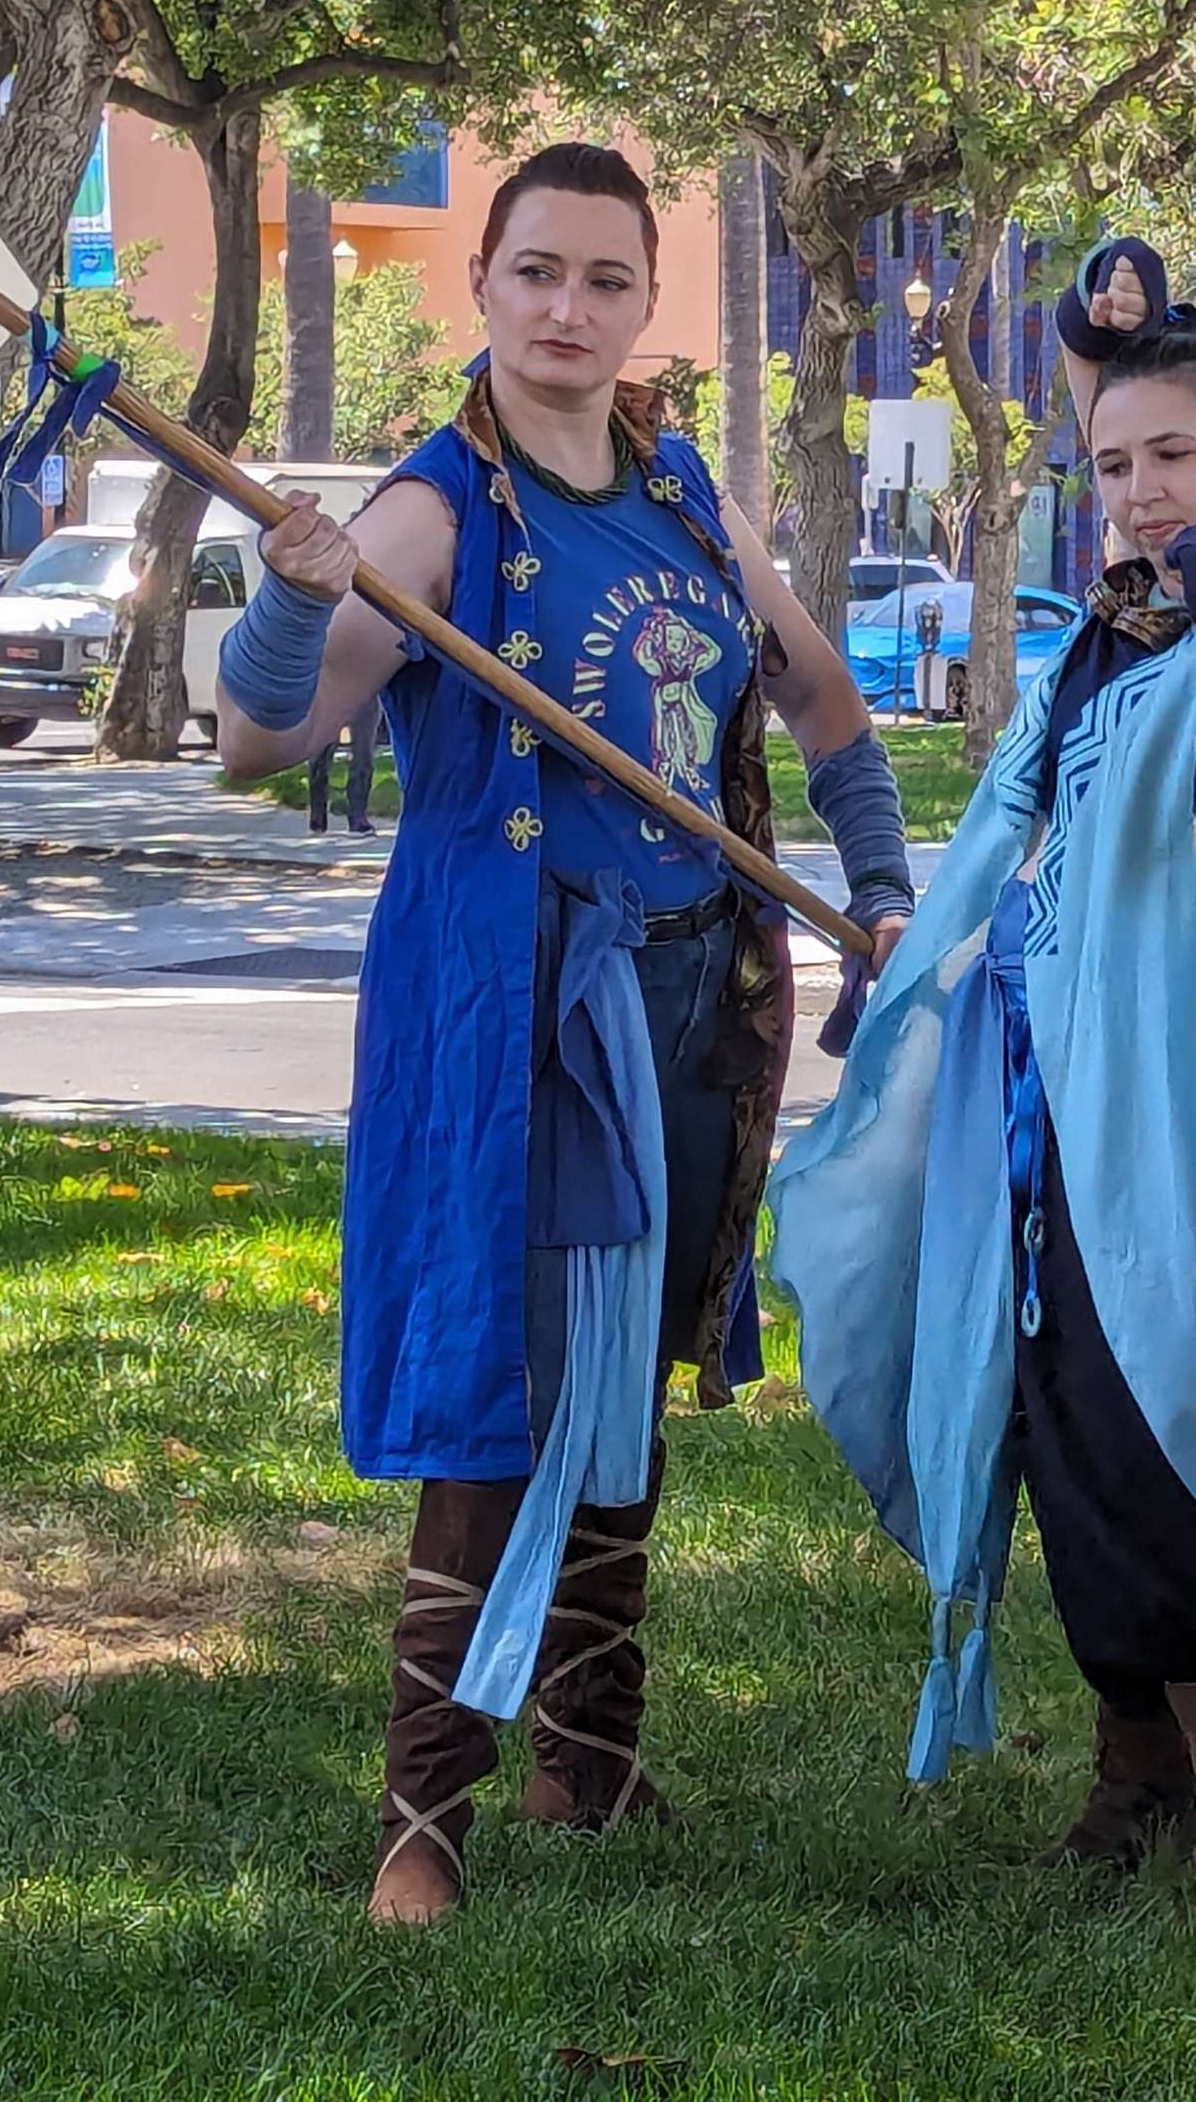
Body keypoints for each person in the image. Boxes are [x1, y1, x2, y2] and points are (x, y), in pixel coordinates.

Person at [214, 143, 917, 1925]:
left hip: (685, 994)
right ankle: (418, 1826)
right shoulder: (436, 512)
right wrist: (299, 596)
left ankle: (587, 1767)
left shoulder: (685, 492)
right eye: (537, 272)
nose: (568, 310)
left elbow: (823, 700)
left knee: (624, 1374)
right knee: (505, 1386)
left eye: (606, 279)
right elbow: (257, 745)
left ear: (644, 299)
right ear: (483, 286)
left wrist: (885, 881)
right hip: (525, 1013)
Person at [770, 239, 1196, 1929]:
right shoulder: (1105, 639)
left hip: (1185, 1112)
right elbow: (1025, 855)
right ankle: (1148, 1770)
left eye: (1173, 454)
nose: (1137, 490)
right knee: (1063, 1426)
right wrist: (935, 958)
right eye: (1111, 464)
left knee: (1169, 1428)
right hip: (1041, 1100)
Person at [305, 690, 383, 837]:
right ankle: (317, 813)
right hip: (332, 691)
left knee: (363, 754)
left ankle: (358, 815)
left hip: (367, 692)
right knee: (320, 754)